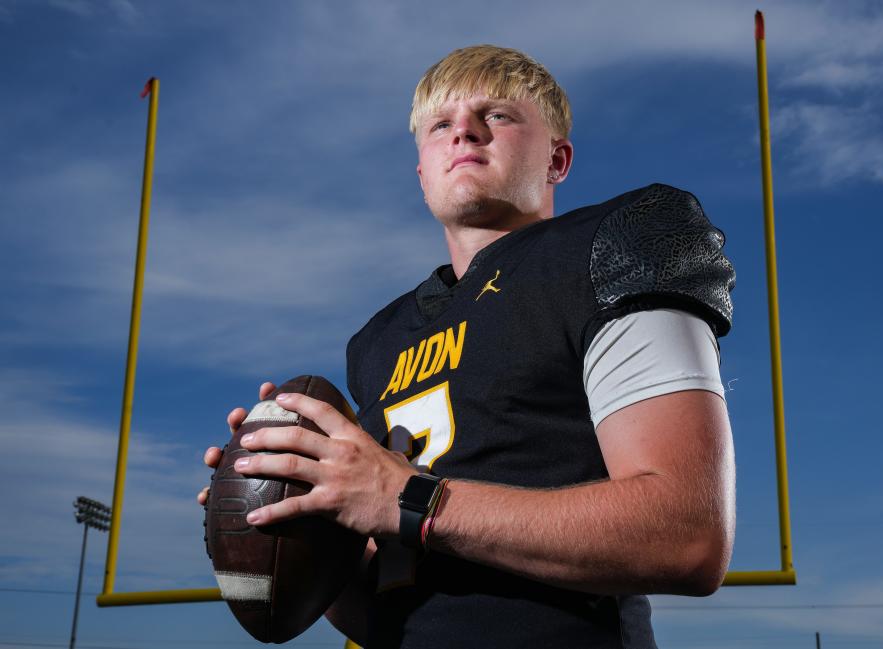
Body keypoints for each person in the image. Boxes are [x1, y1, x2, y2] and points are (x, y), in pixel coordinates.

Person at [199, 45, 736, 649]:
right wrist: (293, 524)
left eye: (498, 115)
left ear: (557, 159)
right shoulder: (378, 342)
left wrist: (405, 497)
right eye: (440, 125)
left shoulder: (608, 247)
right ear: (422, 171)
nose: (466, 133)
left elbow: (686, 534)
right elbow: (391, 606)